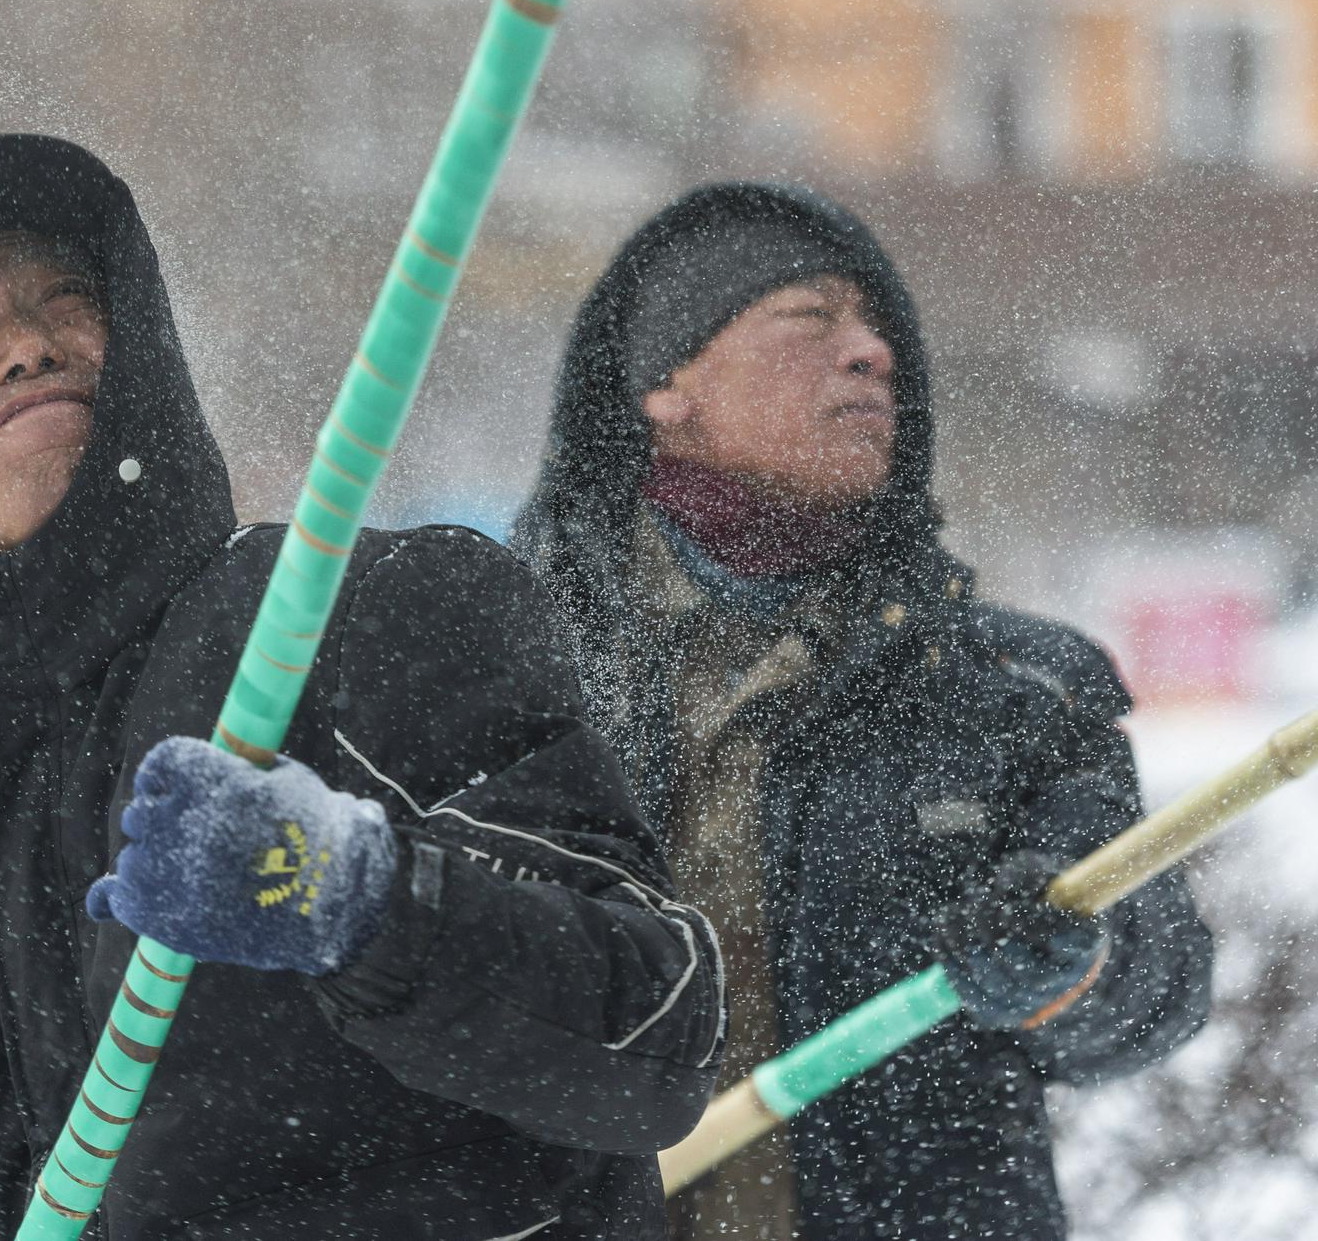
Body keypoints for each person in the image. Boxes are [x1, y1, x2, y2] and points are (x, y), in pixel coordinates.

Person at [0, 134, 723, 1241]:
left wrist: (360, 903)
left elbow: (654, 1033)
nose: (24, 343)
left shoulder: (367, 617)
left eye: (65, 298)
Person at [512, 182, 1213, 1240]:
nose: (869, 352)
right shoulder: (505, 679)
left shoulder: (1013, 692)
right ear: (665, 387)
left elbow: (1156, 988)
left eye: (877, 327)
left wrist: (1075, 963)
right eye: (810, 318)